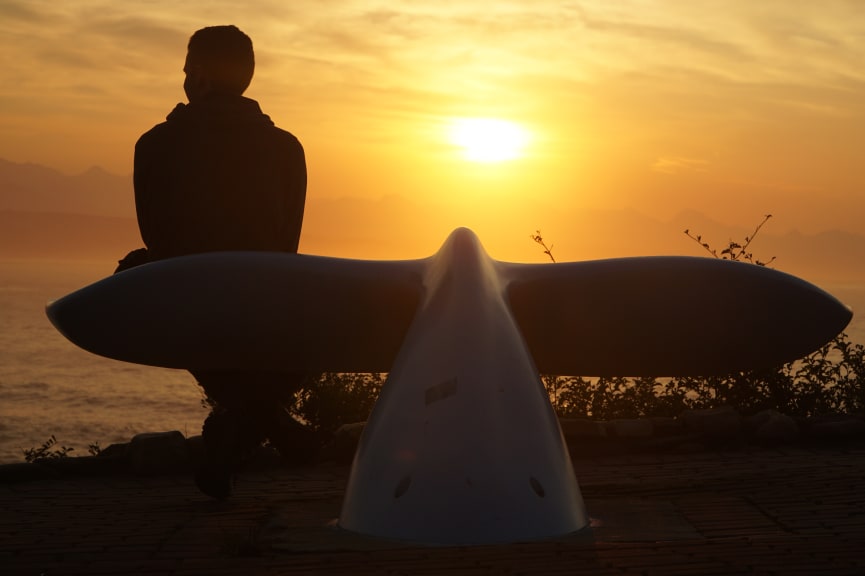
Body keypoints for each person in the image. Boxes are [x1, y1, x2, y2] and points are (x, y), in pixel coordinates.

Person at [125, 25, 313, 499]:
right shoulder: (288, 149)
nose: (185, 77)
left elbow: (159, 241)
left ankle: (244, 416)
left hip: (190, 295)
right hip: (265, 297)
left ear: (202, 77)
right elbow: (286, 245)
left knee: (134, 271)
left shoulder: (157, 145)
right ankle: (263, 417)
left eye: (188, 68)